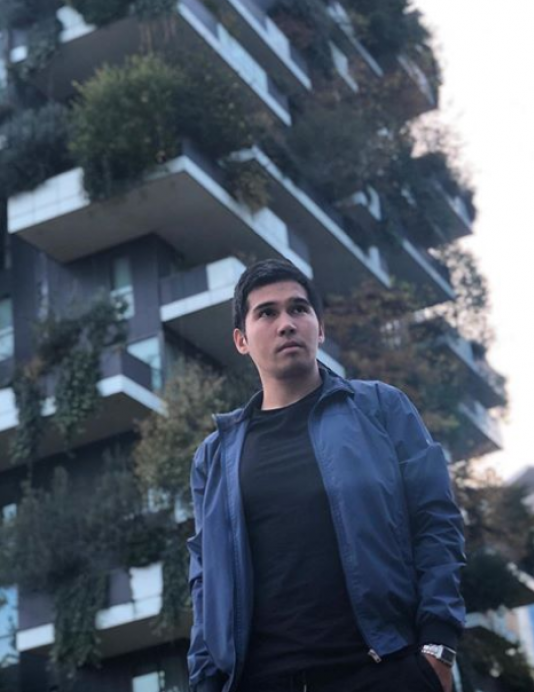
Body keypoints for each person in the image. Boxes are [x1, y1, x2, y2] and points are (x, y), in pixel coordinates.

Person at [187, 258, 466, 692]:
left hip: (383, 671)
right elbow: (206, 577)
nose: (286, 324)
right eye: (267, 313)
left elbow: (436, 522)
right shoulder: (215, 455)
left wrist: (438, 646)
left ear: (320, 328)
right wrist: (205, 681)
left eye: (299, 309)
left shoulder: (381, 408)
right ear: (241, 340)